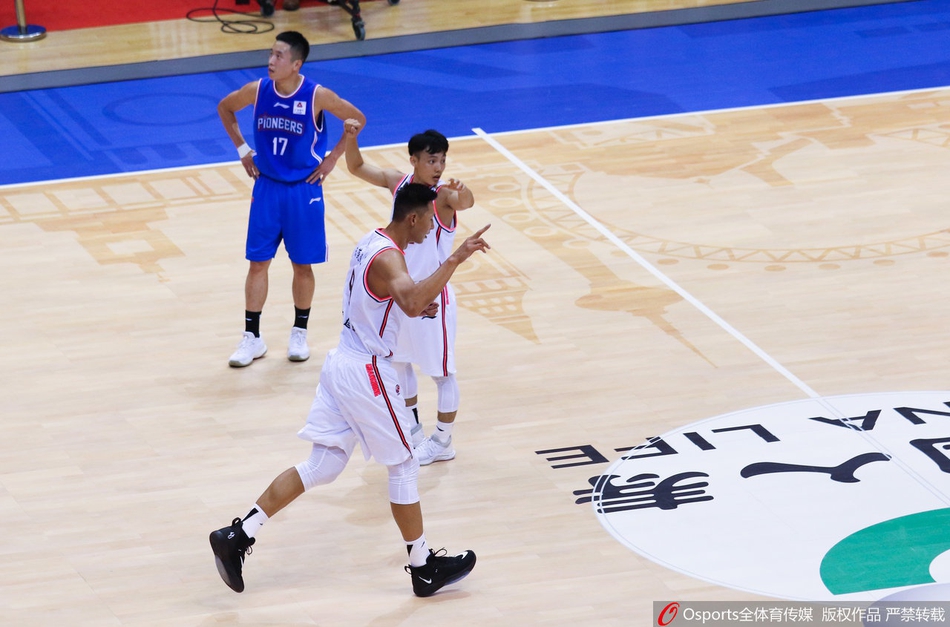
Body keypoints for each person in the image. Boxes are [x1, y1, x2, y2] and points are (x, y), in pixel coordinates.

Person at [208, 183, 490, 597]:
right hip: (367, 373)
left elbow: (394, 299)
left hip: (341, 362)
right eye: (429, 219)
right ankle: (423, 567)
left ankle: (238, 534)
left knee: (323, 465)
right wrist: (456, 258)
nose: (432, 227)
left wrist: (415, 301)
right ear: (413, 218)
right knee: (405, 465)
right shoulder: (391, 257)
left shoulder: (371, 242)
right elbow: (408, 301)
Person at [217, 30, 366, 368]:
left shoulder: (317, 95)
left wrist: (332, 158)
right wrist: (242, 149)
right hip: (267, 187)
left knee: (302, 264)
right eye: (271, 54)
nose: (271, 61)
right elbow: (225, 108)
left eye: (279, 56)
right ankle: (252, 337)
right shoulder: (257, 90)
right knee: (258, 262)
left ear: (296, 64)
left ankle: (299, 331)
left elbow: (356, 119)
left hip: (303, 189)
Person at [343, 120, 475, 467]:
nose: (439, 168)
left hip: (433, 299)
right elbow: (355, 166)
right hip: (403, 298)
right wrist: (351, 139)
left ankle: (443, 441)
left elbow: (467, 201)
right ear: (414, 160)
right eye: (432, 161)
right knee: (400, 364)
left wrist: (464, 189)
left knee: (442, 373)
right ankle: (415, 434)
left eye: (443, 161)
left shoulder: (443, 196)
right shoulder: (397, 183)